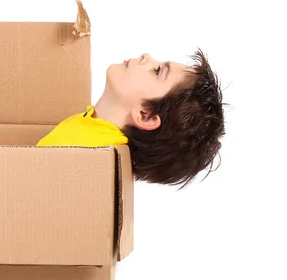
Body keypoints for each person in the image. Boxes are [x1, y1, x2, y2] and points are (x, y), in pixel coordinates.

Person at [36, 49, 226, 188]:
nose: (146, 56)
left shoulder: (89, 152)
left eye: (157, 71)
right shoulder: (91, 124)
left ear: (146, 115)